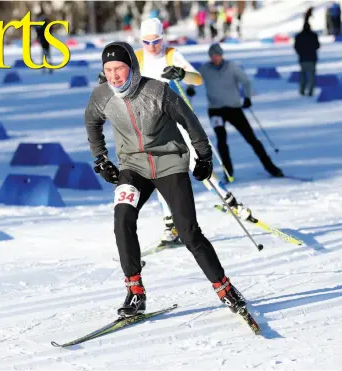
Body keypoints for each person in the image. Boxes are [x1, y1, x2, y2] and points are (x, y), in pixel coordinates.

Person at [86, 41, 247, 317]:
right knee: (122, 218)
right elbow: (92, 121)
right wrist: (100, 158)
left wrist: (204, 156)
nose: (114, 76)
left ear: (132, 67)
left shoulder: (156, 91)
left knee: (188, 232)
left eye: (119, 68)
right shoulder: (102, 95)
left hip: (169, 164)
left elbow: (189, 120)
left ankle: (224, 287)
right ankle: (135, 292)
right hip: (133, 167)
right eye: (108, 69)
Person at [133, 17, 253, 247]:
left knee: (196, 162)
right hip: (152, 123)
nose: (151, 46)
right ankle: (171, 225)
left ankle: (227, 200)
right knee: (160, 172)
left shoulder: (171, 54)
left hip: (178, 119)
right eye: (146, 42)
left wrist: (179, 73)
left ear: (162, 38)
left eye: (156, 41)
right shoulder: (137, 58)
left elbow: (197, 79)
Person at [195, 43, 284, 180]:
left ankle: (270, 167)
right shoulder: (205, 69)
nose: (215, 58)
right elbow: (194, 80)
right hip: (215, 110)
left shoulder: (231, 67)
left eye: (217, 55)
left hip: (234, 109)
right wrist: (190, 88)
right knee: (221, 141)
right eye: (212, 56)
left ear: (222, 55)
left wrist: (247, 98)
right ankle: (228, 171)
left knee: (251, 139)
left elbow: (246, 82)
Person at [294, 22, 320, 96]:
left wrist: (300, 53)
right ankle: (310, 91)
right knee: (312, 76)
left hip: (302, 59)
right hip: (312, 59)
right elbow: (317, 45)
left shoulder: (299, 36)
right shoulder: (313, 35)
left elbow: (296, 47)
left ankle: (302, 90)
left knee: (303, 75)